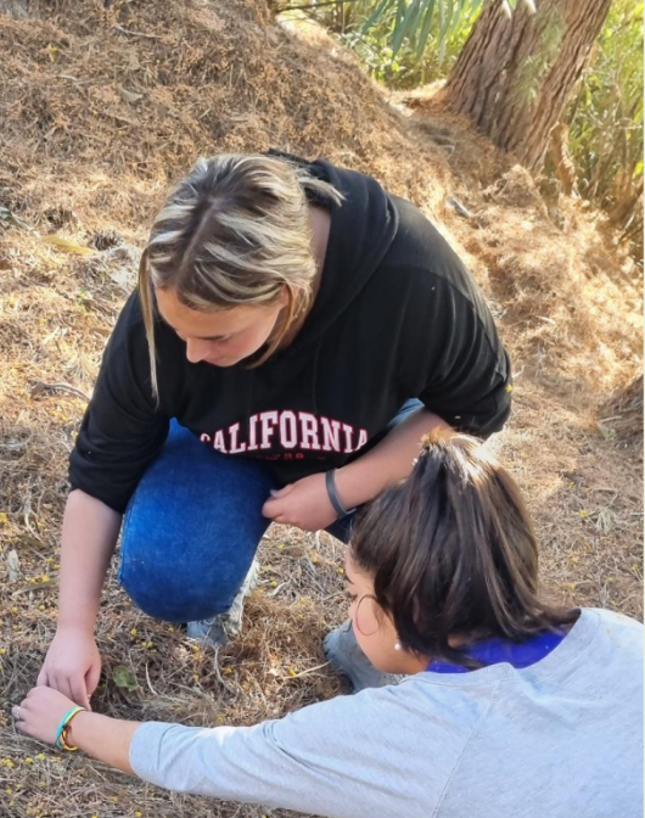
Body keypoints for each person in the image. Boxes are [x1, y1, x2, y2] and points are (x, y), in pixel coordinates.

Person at [38, 150, 513, 706]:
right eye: (176, 329)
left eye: (216, 337)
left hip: (371, 444)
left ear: (285, 296)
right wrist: (73, 630)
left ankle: (373, 641)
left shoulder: (413, 278)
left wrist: (342, 488)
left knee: (452, 557)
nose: (189, 354)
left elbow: (476, 411)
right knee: (168, 570)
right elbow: (99, 475)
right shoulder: (167, 307)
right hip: (225, 447)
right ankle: (222, 574)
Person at [13, 435, 645, 818]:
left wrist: (70, 723)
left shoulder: (416, 734)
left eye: (353, 595)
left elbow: (214, 758)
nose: (350, 611)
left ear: (411, 606)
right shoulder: (618, 635)